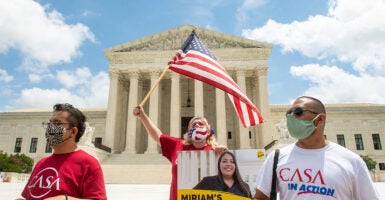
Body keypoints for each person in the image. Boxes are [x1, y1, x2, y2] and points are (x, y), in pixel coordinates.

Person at [253, 96, 380, 200]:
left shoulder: (352, 161)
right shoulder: (276, 158)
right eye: (288, 113)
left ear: (320, 119)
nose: (291, 117)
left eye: (298, 112)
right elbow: (261, 197)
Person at [133, 105, 227, 200]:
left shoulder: (215, 151)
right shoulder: (177, 145)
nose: (197, 125)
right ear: (189, 131)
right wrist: (142, 116)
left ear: (208, 131)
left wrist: (225, 155)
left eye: (201, 124)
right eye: (194, 125)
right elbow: (158, 136)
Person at [21, 103, 107, 200]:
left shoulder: (88, 164)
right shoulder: (41, 163)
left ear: (73, 132)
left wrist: (65, 199)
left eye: (57, 123)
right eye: (50, 123)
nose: (51, 127)